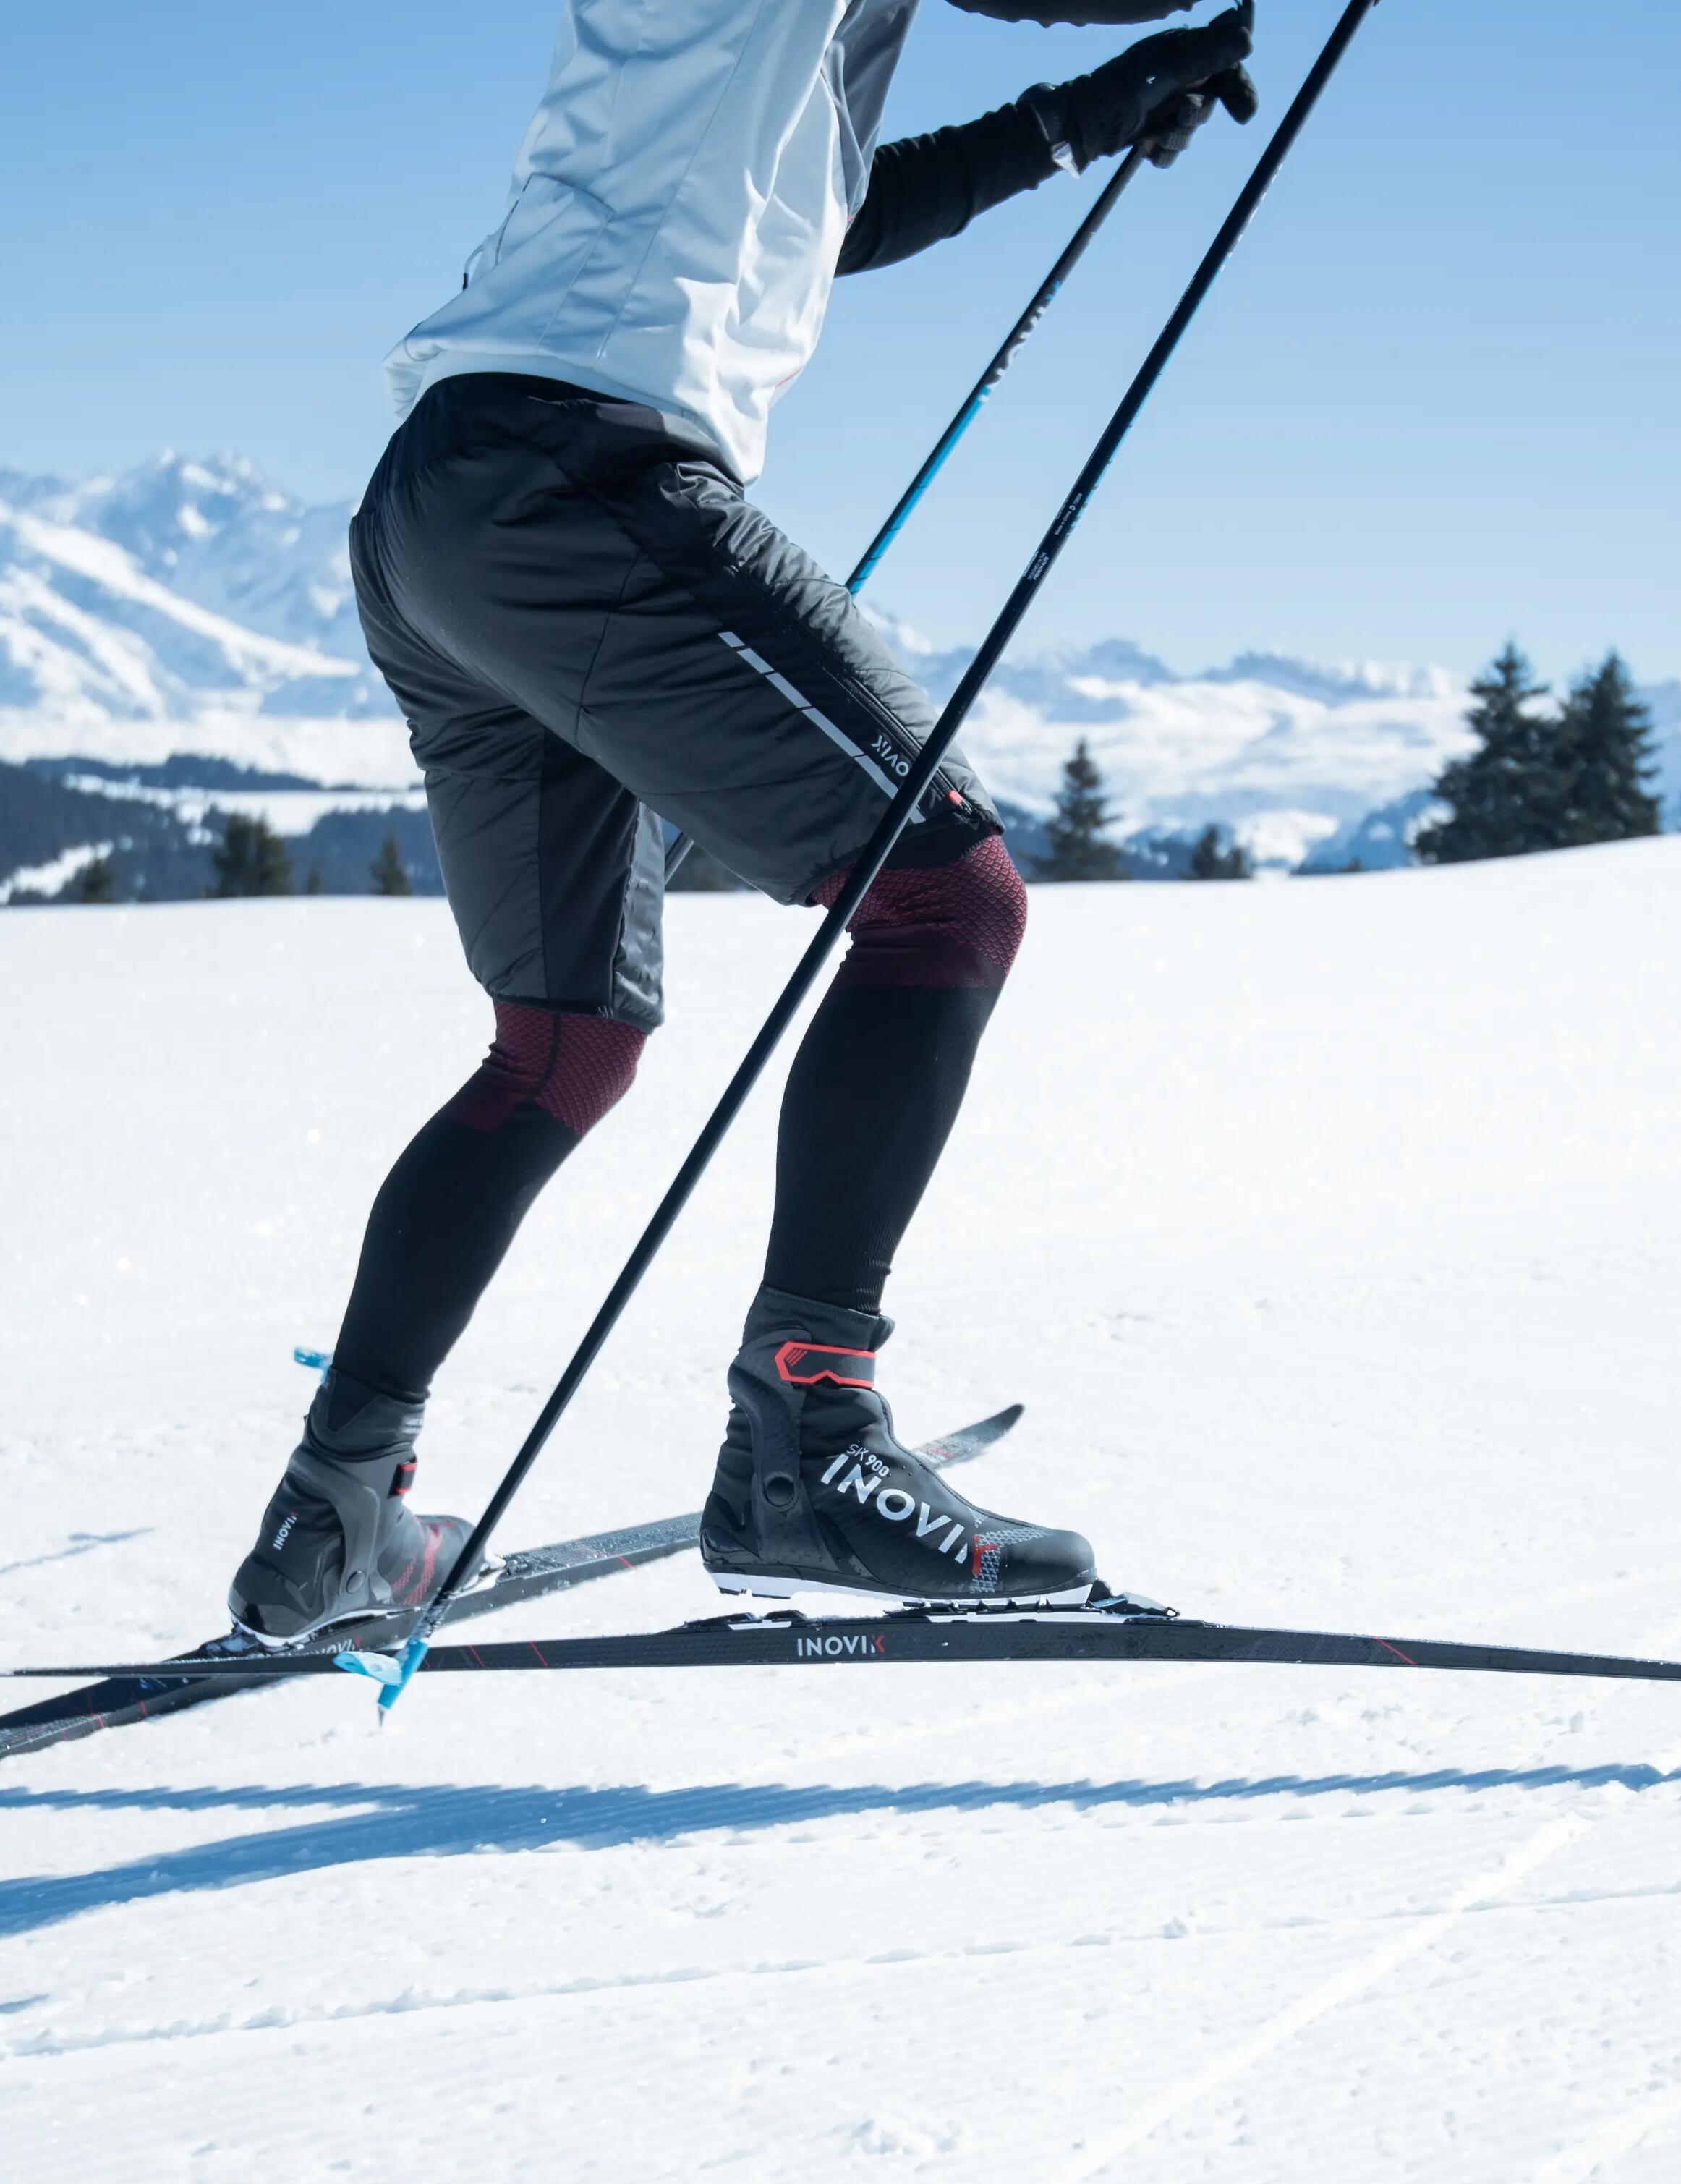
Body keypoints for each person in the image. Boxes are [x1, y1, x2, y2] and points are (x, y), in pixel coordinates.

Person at [228, 0, 1257, 1645]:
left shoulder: (785, 41)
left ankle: (338, 1504)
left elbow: (819, 222)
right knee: (951, 901)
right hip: (577, 474)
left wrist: (1081, 115)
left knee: (563, 1046)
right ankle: (809, 1443)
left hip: (449, 512)